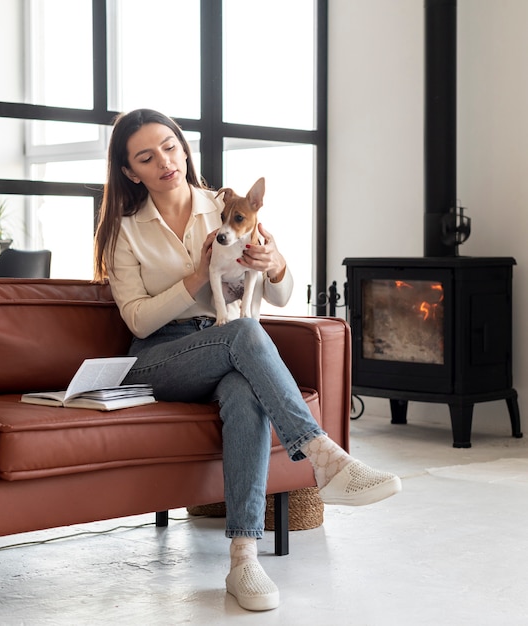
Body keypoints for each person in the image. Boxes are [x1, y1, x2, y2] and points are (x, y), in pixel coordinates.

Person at [94, 108, 401, 612]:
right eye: (147, 157)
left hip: (231, 343)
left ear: (184, 149)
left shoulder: (229, 207)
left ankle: (243, 557)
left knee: (244, 391)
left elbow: (279, 297)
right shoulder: (126, 232)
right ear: (131, 172)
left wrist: (275, 263)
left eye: (170, 147)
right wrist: (194, 279)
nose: (165, 162)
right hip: (159, 358)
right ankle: (324, 458)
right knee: (244, 333)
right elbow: (137, 321)